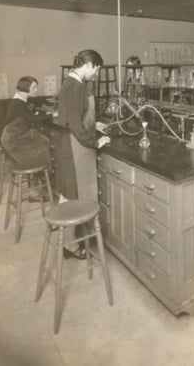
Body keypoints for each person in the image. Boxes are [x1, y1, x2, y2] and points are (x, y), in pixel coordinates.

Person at [56, 49, 110, 259]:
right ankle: (70, 244)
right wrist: (96, 141)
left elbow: (74, 117)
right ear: (89, 65)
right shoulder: (77, 86)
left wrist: (94, 123)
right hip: (76, 145)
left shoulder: (69, 83)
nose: (95, 75)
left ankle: (66, 239)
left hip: (69, 141)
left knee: (69, 192)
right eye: (96, 70)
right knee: (76, 195)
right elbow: (76, 126)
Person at [0, 76, 51, 167]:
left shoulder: (19, 101)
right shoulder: (18, 103)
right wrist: (51, 114)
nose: (36, 90)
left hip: (15, 135)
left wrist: (40, 113)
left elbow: (27, 115)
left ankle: (42, 172)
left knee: (43, 140)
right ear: (25, 89)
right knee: (42, 145)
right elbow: (33, 119)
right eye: (34, 88)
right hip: (13, 139)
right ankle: (42, 171)